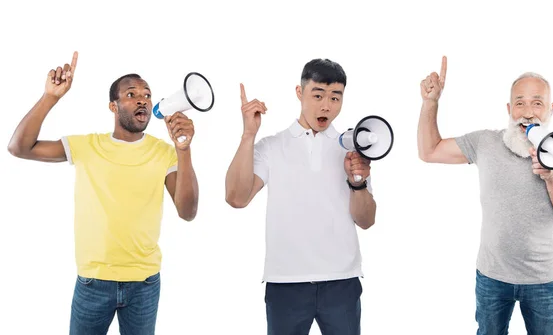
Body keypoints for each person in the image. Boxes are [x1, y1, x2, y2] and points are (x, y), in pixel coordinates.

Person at [7, 51, 199, 335]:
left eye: (146, 94)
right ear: (114, 106)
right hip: (93, 283)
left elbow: (187, 212)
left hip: (144, 283)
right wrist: (51, 97)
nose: (142, 99)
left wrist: (184, 150)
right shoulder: (87, 145)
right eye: (131, 94)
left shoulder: (165, 153)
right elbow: (19, 148)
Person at [417, 56, 553, 334]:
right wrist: (430, 103)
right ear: (509, 109)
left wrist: (550, 175)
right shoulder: (485, 142)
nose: (527, 112)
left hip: (543, 280)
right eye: (519, 103)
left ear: (550, 109)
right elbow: (429, 151)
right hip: (492, 278)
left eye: (537, 103)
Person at [225, 58, 376, 335]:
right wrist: (248, 134)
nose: (326, 106)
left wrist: (358, 183)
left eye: (335, 97)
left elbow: (366, 221)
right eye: (318, 95)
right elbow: (236, 198)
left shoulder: (353, 151)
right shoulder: (271, 147)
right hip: (286, 282)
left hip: (341, 281)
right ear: (299, 92)